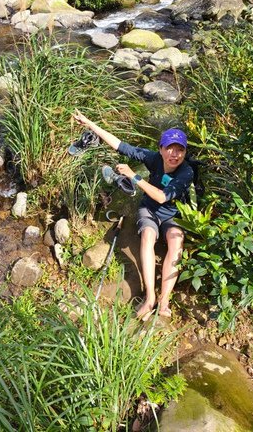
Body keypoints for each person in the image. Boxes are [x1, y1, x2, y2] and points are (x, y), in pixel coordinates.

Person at [72, 109, 193, 320]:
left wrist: (134, 177)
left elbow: (163, 197)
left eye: (179, 150)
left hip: (173, 214)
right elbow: (119, 145)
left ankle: (164, 300)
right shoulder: (152, 158)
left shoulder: (186, 172)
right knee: (147, 236)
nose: (175, 154)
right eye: (170, 149)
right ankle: (149, 298)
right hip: (149, 210)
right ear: (161, 149)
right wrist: (89, 123)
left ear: (184, 152)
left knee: (176, 240)